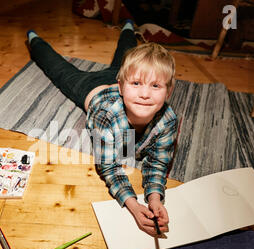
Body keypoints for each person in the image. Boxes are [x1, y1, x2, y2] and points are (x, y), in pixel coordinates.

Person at [27, 20, 177, 237]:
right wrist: (134, 206)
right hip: (91, 88)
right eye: (137, 84)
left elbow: (159, 161)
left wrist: (154, 198)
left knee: (126, 53)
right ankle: (34, 39)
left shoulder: (168, 120)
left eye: (155, 85)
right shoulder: (107, 115)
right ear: (121, 86)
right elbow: (109, 166)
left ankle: (127, 28)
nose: (145, 94)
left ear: (168, 91)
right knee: (58, 69)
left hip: (122, 76)